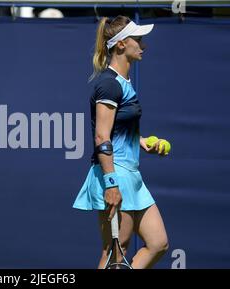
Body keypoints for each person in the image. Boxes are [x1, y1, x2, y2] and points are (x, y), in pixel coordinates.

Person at [73, 16, 169, 269]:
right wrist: (111, 184)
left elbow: (117, 130)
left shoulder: (123, 83)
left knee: (158, 243)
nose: (143, 46)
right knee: (114, 252)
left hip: (132, 177)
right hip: (115, 175)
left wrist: (142, 141)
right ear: (121, 45)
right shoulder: (109, 85)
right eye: (138, 40)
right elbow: (102, 136)